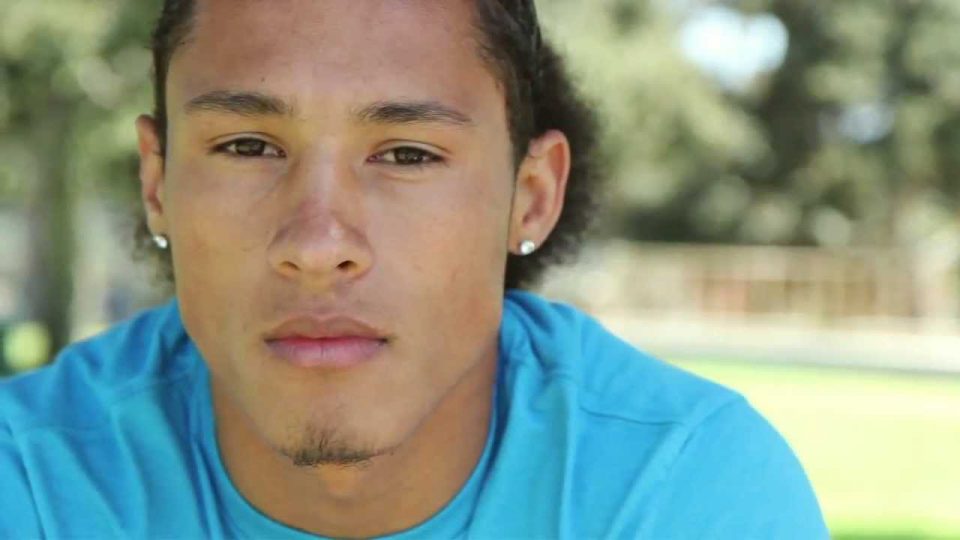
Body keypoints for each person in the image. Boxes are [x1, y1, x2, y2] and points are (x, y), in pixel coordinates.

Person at [0, 0, 828, 538]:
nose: (317, 244)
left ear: (531, 197)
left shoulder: (683, 494)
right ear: (157, 185)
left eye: (407, 153)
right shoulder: (30, 483)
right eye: (248, 146)